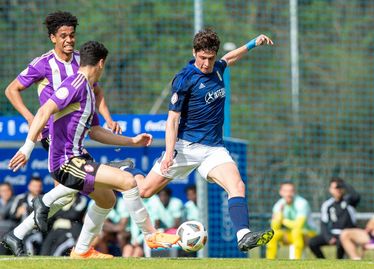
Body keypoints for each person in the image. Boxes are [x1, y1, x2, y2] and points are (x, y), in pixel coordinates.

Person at [6, 40, 178, 259]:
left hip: (78, 157)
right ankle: (151, 235)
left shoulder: (87, 90)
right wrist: (26, 148)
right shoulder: (74, 84)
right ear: (101, 63)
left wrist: (131, 141)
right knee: (128, 181)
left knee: (107, 199)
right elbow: (44, 111)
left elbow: (96, 132)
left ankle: (81, 250)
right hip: (65, 162)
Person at [133, 28, 275, 252]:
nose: (206, 64)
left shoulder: (218, 68)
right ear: (194, 52)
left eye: (210, 58)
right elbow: (172, 120)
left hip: (214, 150)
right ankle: (134, 176)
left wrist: (252, 43)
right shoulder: (184, 79)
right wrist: (169, 153)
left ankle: (243, 235)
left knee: (237, 185)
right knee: (144, 191)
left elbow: (229, 58)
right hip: (185, 148)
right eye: (202, 58)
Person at [2, 11, 123, 255]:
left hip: (75, 135)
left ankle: (18, 234)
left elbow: (96, 92)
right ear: (53, 38)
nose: (69, 40)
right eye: (63, 36)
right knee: (75, 186)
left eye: (72, 35)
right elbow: (11, 89)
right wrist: (29, 118)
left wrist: (108, 118)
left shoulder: (83, 61)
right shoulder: (43, 64)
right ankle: (77, 249)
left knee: (81, 194)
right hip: (53, 135)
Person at [309, 177, 360, 259]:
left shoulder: (349, 202)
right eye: (335, 187)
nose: (338, 189)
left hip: (347, 233)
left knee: (342, 240)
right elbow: (324, 224)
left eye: (340, 187)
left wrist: (344, 185)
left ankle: (339, 263)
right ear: (330, 189)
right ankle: (323, 262)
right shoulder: (327, 205)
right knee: (312, 242)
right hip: (333, 233)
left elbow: (356, 196)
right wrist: (328, 237)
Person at [266, 182, 316, 259]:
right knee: (272, 235)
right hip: (291, 234)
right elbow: (274, 226)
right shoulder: (278, 205)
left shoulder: (302, 203)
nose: (288, 194)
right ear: (281, 192)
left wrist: (282, 220)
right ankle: (270, 261)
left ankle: (297, 261)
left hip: (309, 233)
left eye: (291, 191)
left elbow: (299, 225)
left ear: (294, 192)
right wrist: (280, 214)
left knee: (296, 232)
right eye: (285, 191)